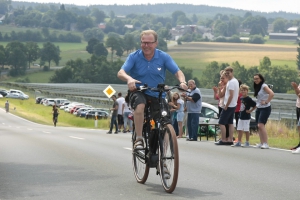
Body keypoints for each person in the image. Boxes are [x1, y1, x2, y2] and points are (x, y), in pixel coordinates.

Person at [117, 29, 188, 150]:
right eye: (143, 42)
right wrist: (129, 79)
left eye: (149, 43)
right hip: (139, 91)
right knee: (140, 106)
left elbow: (177, 72)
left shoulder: (163, 57)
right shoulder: (134, 57)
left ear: (156, 43)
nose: (146, 46)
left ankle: (164, 158)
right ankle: (139, 138)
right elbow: (121, 72)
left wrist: (182, 82)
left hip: (157, 93)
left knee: (166, 121)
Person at [215, 67, 239, 145]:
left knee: (221, 123)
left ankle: (224, 139)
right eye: (226, 73)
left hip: (229, 105)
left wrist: (226, 105)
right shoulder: (234, 81)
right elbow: (222, 94)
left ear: (232, 72)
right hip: (233, 105)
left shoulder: (232, 82)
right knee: (230, 122)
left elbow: (231, 95)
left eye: (228, 73)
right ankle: (230, 139)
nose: (227, 74)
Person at [253, 73, 274, 149]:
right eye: (254, 79)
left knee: (260, 125)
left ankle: (265, 143)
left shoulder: (264, 86)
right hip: (259, 107)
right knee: (259, 126)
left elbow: (271, 93)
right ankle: (261, 143)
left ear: (261, 79)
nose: (255, 80)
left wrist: (266, 101)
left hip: (265, 108)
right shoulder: (257, 87)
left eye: (257, 79)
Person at [212, 70, 229, 140]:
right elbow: (216, 97)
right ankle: (223, 136)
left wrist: (219, 89)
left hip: (224, 105)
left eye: (223, 78)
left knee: (224, 122)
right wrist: (215, 91)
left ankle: (225, 137)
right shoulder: (221, 86)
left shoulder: (225, 86)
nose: (221, 80)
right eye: (220, 78)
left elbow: (221, 95)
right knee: (222, 122)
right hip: (220, 104)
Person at [290, 82, 300, 153]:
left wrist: (296, 88)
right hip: (298, 106)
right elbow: (298, 94)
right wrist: (296, 88)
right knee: (299, 127)